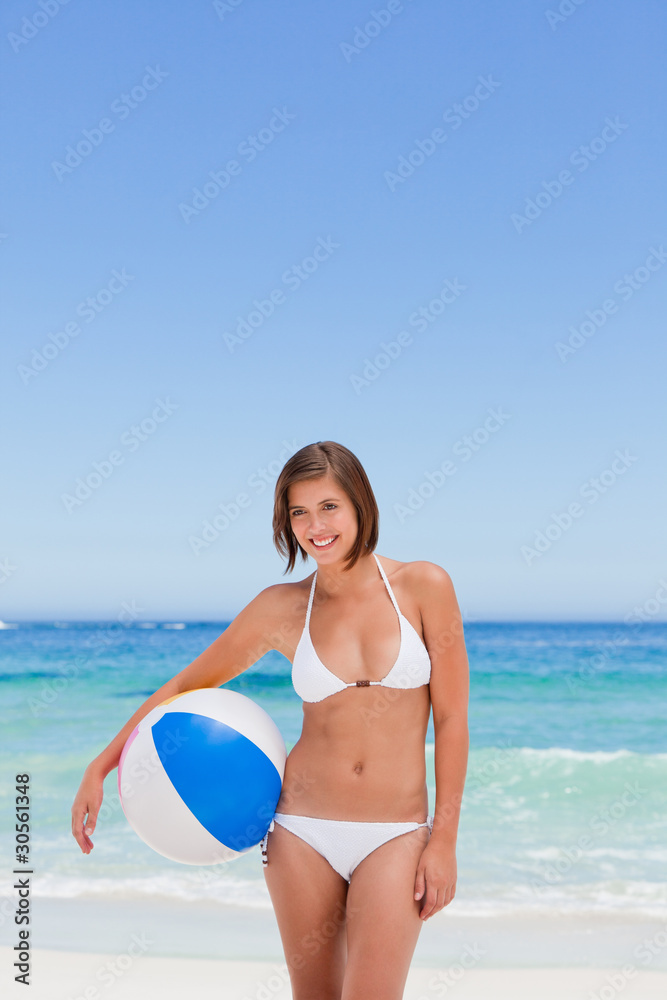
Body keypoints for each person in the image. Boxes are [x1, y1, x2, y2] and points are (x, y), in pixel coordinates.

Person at [72, 440, 469, 1000]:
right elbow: (186, 685)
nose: (315, 526)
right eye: (299, 512)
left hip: (397, 832)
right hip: (300, 831)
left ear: (360, 504)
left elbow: (451, 719)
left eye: (329, 506)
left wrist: (444, 841)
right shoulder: (281, 608)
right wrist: (102, 763)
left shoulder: (425, 586)